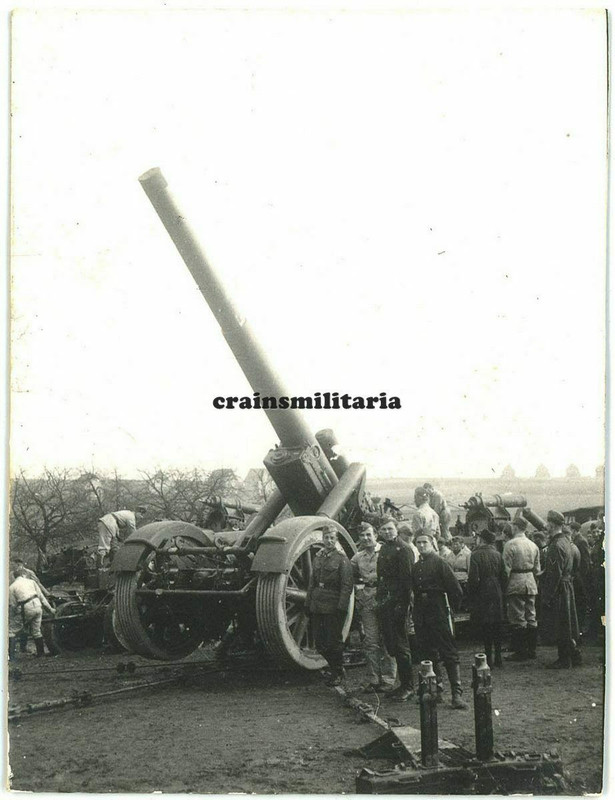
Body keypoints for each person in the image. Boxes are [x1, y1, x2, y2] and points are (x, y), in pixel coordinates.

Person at [412, 532, 467, 709]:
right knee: (427, 652)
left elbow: (455, 589)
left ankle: (456, 694)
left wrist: (450, 611)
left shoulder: (440, 563)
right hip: (422, 612)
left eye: (424, 542)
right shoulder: (416, 567)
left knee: (448, 651)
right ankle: (435, 691)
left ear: (432, 543)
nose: (421, 546)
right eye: (418, 543)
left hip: (438, 610)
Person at [351, 524, 397, 692]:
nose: (365, 538)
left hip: (384, 598)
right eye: (362, 535)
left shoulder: (386, 552)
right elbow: (351, 575)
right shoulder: (357, 557)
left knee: (387, 639)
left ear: (376, 535)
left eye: (368, 534)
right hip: (367, 599)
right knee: (370, 641)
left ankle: (388, 679)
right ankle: (373, 678)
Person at [307, 525, 353, 686]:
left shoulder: (342, 559)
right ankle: (335, 668)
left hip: (333, 605)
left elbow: (347, 586)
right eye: (326, 537)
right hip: (317, 604)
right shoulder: (318, 557)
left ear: (336, 540)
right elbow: (312, 582)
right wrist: (308, 603)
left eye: (332, 538)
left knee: (333, 642)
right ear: (323, 539)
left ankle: (337, 671)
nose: (329, 541)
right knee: (320, 643)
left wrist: (342, 608)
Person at [376, 518, 415, 700]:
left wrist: (403, 605)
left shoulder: (404, 549)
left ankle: (408, 686)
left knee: (401, 645)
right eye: (384, 529)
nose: (388, 532)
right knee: (392, 644)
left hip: (398, 603)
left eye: (390, 529)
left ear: (396, 529)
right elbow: (381, 578)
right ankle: (402, 684)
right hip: (386, 602)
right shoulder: (384, 548)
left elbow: (407, 581)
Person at [540, 510, 582, 668]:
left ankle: (564, 659)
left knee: (561, 623)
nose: (546, 526)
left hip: (559, 589)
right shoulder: (567, 542)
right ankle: (573, 655)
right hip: (567, 585)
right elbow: (572, 566)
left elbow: (554, 574)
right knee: (567, 622)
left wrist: (547, 597)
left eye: (547, 523)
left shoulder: (556, 545)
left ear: (551, 524)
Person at [502, 516, 540, 661]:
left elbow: (506, 569)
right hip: (530, 581)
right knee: (531, 615)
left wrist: (505, 585)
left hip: (515, 581)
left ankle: (520, 651)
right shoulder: (533, 545)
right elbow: (537, 569)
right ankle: (532, 650)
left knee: (517, 617)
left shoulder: (510, 545)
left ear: (516, 527)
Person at [467, 530, 506, 668]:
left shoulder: (475, 555)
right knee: (497, 624)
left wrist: (472, 594)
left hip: (482, 592)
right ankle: (499, 658)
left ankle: (488, 658)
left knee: (486, 625)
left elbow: (473, 579)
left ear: (481, 540)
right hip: (496, 591)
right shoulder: (498, 555)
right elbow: (504, 576)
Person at [9, 566, 56, 659]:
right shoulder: (32, 582)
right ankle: (41, 654)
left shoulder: (12, 587)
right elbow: (41, 597)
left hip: (26, 608)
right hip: (38, 607)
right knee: (36, 631)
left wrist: (13, 617)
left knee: (11, 631)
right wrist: (50, 609)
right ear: (24, 574)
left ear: (15, 577)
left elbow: (13, 605)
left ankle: (12, 657)